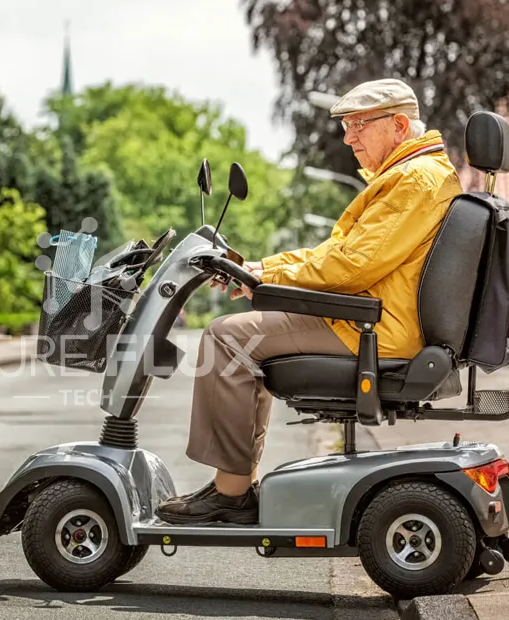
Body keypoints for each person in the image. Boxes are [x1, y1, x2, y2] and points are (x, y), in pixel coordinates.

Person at [155, 78, 463, 525]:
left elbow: (351, 267)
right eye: (346, 125)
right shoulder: (412, 175)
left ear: (398, 125)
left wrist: (269, 277)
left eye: (358, 124)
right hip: (376, 319)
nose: (347, 136)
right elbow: (337, 257)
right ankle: (233, 486)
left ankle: (232, 493)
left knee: (226, 338)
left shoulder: (413, 179)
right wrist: (260, 270)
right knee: (244, 334)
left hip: (374, 328)